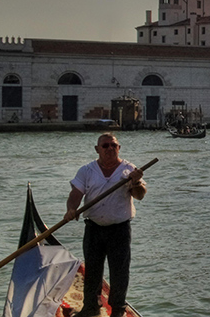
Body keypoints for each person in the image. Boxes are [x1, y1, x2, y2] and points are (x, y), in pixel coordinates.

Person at [64, 134, 146, 317]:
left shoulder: (129, 170)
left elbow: (140, 195)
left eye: (113, 146)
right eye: (105, 145)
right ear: (97, 149)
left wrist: (137, 182)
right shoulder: (87, 170)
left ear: (119, 148)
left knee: (119, 271)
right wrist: (71, 209)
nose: (110, 148)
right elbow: (75, 194)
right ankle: (91, 307)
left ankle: (117, 309)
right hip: (93, 227)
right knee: (92, 269)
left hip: (120, 229)